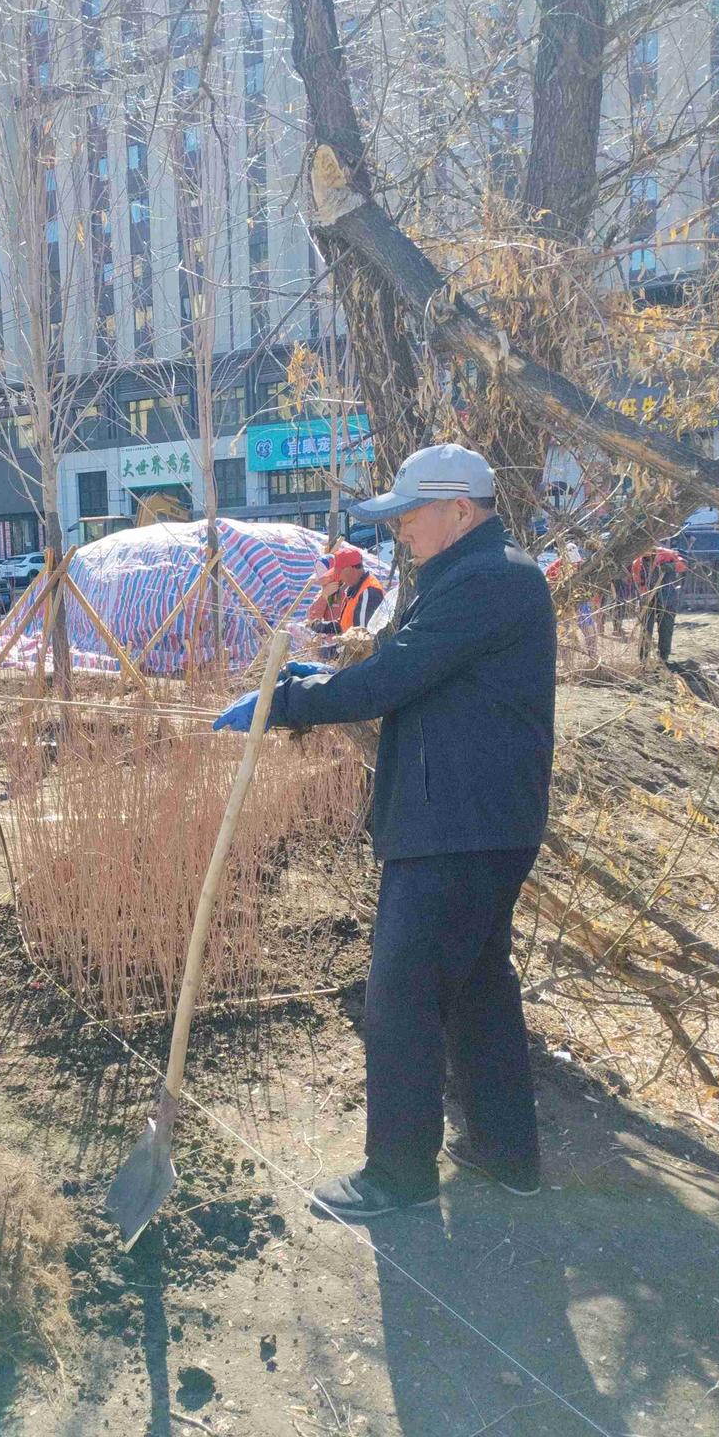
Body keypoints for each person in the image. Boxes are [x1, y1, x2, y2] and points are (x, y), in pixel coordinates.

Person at [216, 444, 556, 1219]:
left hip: (457, 826)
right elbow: (410, 670)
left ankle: (398, 1173)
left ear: (460, 510)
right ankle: (507, 1151)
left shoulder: (489, 580)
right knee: (476, 985)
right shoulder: (476, 577)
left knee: (401, 994)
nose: (400, 527)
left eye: (411, 512)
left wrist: (289, 704)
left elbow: (394, 678)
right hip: (475, 820)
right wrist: (315, 683)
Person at [307, 544, 386, 640]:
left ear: (349, 569)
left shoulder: (368, 591)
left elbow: (361, 638)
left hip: (356, 651)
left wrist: (336, 649)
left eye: (339, 573)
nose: (339, 578)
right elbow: (344, 624)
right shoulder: (353, 588)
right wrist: (321, 627)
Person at [632, 546, 686, 665]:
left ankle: (664, 657)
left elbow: (683, 565)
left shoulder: (667, 554)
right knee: (646, 629)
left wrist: (671, 566)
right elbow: (637, 581)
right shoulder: (637, 562)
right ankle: (643, 658)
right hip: (648, 600)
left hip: (667, 598)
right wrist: (643, 596)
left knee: (666, 628)